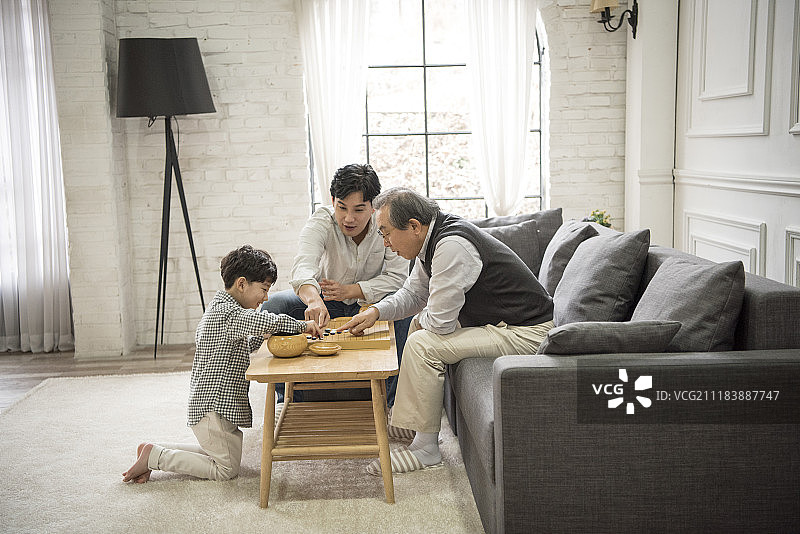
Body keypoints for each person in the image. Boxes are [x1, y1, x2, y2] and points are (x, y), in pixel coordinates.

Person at [340, 188, 555, 475]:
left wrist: (420, 321)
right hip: (506, 323)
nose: (386, 243)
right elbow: (414, 294)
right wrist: (376, 311)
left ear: (414, 226)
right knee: (418, 327)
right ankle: (410, 424)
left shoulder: (451, 246)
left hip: (527, 332)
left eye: (386, 233)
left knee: (422, 344)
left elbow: (440, 323)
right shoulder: (432, 239)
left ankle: (426, 450)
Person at [122, 245, 323, 483]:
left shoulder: (224, 311)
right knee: (225, 470)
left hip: (215, 407)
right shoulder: (228, 314)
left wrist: (263, 337)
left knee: (221, 457)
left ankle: (154, 450)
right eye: (264, 289)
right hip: (213, 408)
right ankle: (157, 458)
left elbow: (242, 344)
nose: (266, 297)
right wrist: (301, 325)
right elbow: (264, 321)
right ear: (241, 284)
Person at [261, 163, 411, 405]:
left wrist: (352, 290)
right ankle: (287, 400)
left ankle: (394, 404)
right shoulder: (322, 220)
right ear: (332, 200)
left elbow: (398, 278)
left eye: (359, 210)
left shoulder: (387, 224)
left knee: (403, 310)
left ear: (373, 207)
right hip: (324, 302)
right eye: (342, 207)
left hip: (368, 306)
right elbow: (302, 265)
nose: (348, 218)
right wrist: (313, 299)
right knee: (275, 305)